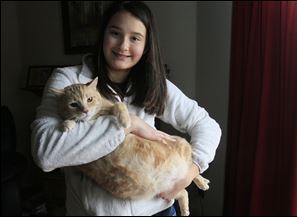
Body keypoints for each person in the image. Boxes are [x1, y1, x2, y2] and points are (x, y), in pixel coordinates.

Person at [31, 1, 222, 216]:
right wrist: (128, 124)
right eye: (115, 33)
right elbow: (45, 153)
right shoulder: (67, 80)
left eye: (135, 38)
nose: (123, 45)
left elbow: (207, 125)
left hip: (158, 210)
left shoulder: (155, 84)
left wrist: (192, 169)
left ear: (146, 44)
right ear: (102, 34)